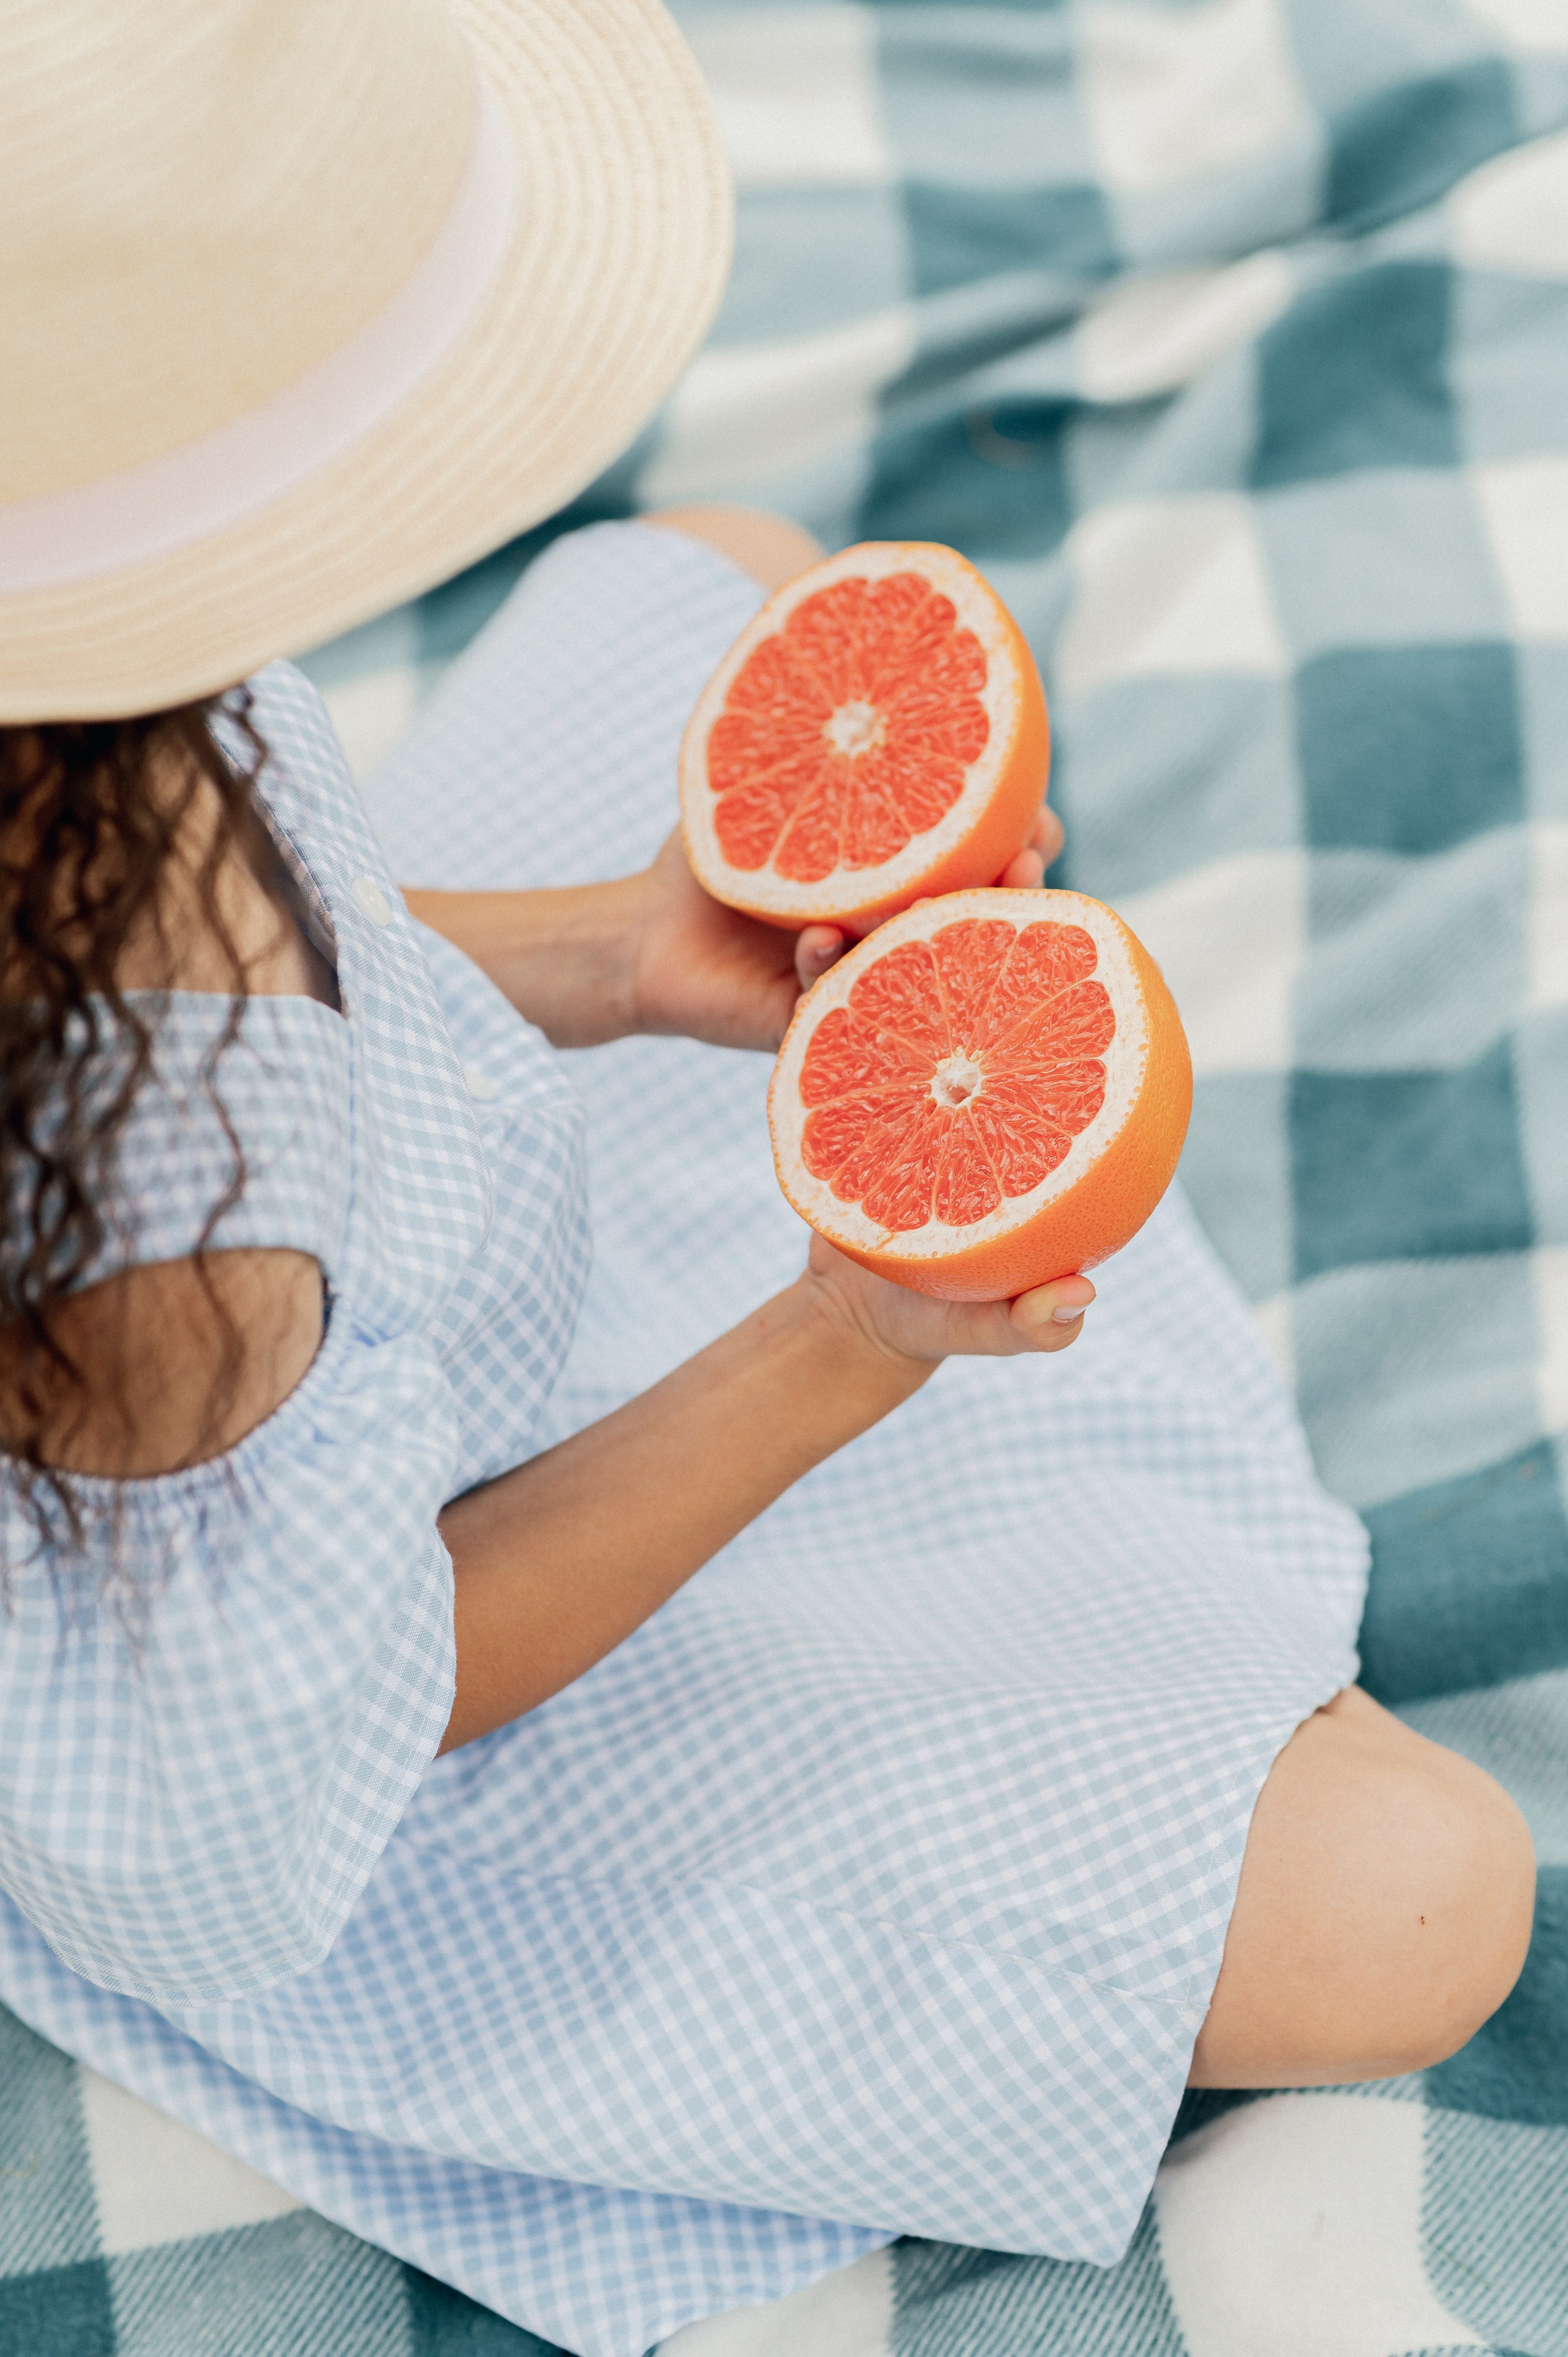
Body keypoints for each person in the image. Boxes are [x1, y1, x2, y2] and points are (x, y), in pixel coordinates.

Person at [0, 3, 1535, 2351]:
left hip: (412, 1266)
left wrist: (621, 953)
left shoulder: (94, 729)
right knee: (1428, 1904)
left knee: (711, 569)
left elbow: (313, 951)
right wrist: (851, 1341)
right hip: (380, 1733)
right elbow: (393, 1676)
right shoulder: (144, 1235)